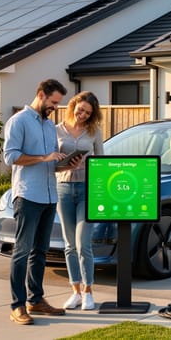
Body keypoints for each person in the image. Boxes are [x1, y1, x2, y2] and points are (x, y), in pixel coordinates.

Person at [3, 79, 79, 325]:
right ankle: (17, 306)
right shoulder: (19, 122)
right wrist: (44, 157)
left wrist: (65, 164)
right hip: (28, 196)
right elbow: (10, 157)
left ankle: (36, 300)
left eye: (58, 103)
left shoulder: (49, 126)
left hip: (49, 196)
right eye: (53, 102)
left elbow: (48, 162)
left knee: (40, 251)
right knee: (22, 251)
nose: (55, 107)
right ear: (41, 95)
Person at [55, 91, 104, 310]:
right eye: (80, 109)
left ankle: (88, 292)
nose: (82, 114)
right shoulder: (56, 130)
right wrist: (65, 163)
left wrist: (88, 165)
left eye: (87, 113)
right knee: (69, 245)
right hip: (63, 188)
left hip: (87, 189)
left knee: (83, 243)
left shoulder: (94, 132)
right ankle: (75, 291)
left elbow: (102, 163)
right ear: (73, 105)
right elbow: (51, 163)